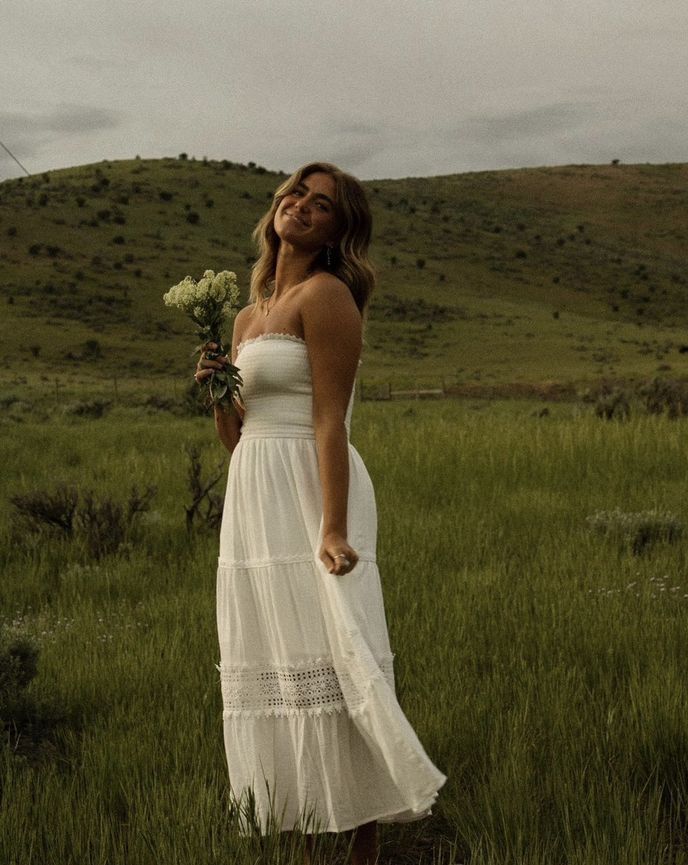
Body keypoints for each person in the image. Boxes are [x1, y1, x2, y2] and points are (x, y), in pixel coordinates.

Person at [194, 161, 446, 865]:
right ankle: (307, 842)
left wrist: (332, 528)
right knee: (277, 653)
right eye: (296, 193)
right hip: (254, 489)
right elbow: (238, 436)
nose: (301, 206)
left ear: (339, 230)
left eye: (322, 204)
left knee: (338, 648)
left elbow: (330, 420)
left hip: (312, 484)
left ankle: (362, 848)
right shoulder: (247, 315)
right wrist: (219, 391)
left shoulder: (327, 294)